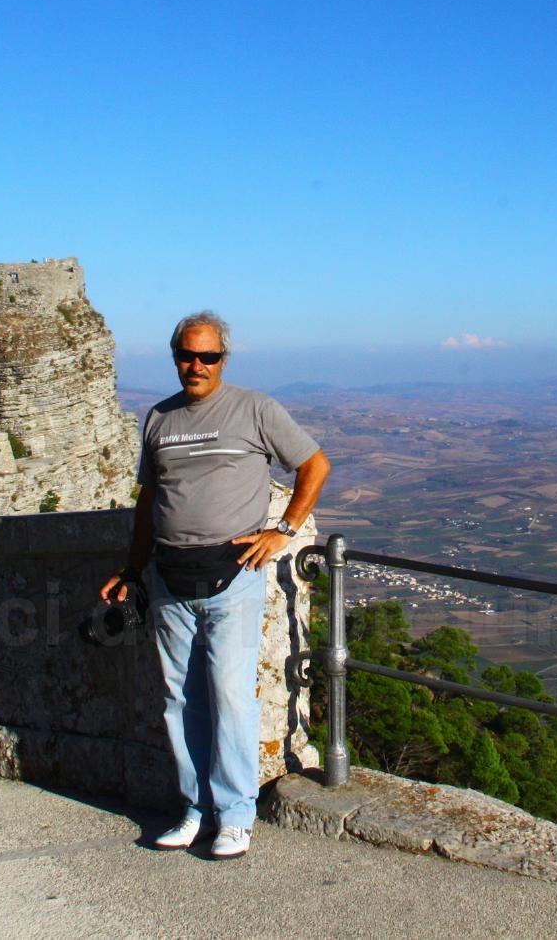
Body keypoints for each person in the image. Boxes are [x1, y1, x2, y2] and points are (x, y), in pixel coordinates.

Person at [100, 311, 329, 859]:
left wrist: (284, 531)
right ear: (174, 355)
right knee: (179, 699)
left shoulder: (254, 409)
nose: (195, 365)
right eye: (186, 354)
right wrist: (132, 570)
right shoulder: (158, 419)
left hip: (234, 577)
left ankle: (235, 815)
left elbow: (314, 464)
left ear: (223, 360)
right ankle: (194, 810)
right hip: (170, 576)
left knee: (230, 696)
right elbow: (149, 501)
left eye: (207, 357)